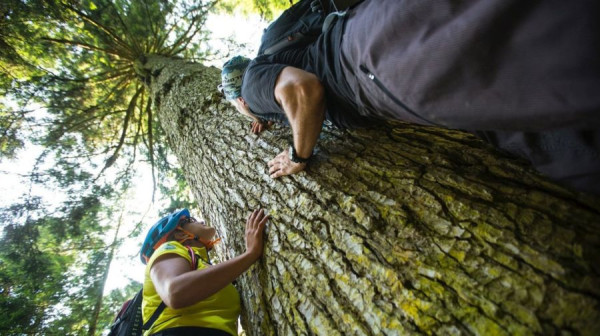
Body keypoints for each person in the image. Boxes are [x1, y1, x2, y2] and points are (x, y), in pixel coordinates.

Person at [221, 0, 600, 194]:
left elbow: (302, 91)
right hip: (376, 52)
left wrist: (298, 156)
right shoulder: (277, 51)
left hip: (369, 60)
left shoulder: (254, 83)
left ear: (238, 100)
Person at [139, 208, 268, 336]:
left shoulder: (200, 263)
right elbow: (175, 292)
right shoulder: (168, 248)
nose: (200, 221)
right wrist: (250, 254)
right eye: (191, 220)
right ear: (180, 234)